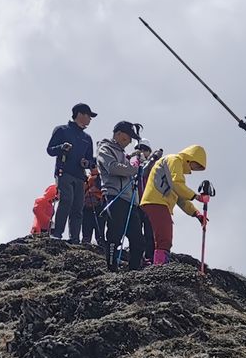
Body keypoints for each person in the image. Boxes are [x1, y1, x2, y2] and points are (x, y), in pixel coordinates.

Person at [139, 143, 210, 265]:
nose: (195, 168)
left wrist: (196, 213)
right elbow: (177, 184)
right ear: (191, 157)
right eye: (196, 165)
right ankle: (159, 266)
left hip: (157, 202)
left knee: (160, 236)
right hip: (157, 201)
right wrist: (197, 197)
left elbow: (180, 198)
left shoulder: (177, 169)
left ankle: (157, 263)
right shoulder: (174, 160)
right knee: (164, 237)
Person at [45, 102, 98, 243]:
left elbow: (90, 160)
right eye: (88, 116)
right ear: (80, 114)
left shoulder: (87, 138)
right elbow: (50, 150)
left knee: (78, 206)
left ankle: (74, 238)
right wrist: (62, 147)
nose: (90, 119)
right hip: (64, 172)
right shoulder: (62, 130)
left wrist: (87, 163)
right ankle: (57, 234)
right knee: (66, 200)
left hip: (80, 176)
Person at [96, 120, 144, 267]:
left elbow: (123, 168)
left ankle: (134, 270)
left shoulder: (124, 154)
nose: (129, 141)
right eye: (126, 137)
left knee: (138, 239)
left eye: (130, 139)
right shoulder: (105, 148)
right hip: (114, 196)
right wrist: (134, 169)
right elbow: (113, 167)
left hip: (129, 200)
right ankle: (111, 267)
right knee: (115, 234)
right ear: (117, 134)